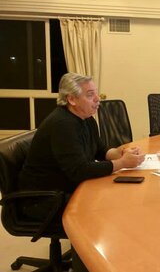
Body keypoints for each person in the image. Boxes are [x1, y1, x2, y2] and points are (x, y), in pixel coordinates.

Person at [19, 73, 145, 219]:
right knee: (112, 207)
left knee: (120, 197)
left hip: (67, 187)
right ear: (71, 99)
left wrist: (121, 153)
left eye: (96, 93)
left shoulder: (87, 119)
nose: (98, 99)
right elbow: (79, 170)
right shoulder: (62, 124)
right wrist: (122, 163)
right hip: (43, 198)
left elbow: (100, 150)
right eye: (90, 95)